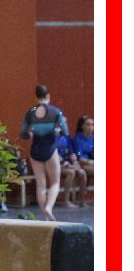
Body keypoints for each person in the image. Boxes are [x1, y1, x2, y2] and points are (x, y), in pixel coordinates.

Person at [18, 86, 70, 221]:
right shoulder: (55, 111)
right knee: (55, 182)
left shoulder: (31, 112)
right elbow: (65, 132)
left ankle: (45, 217)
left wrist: (31, 134)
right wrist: (56, 131)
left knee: (40, 185)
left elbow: (23, 133)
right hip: (50, 149)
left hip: (35, 150)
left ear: (36, 96)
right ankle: (49, 207)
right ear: (48, 95)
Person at [56, 132, 87, 209]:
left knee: (82, 173)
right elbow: (52, 154)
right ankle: (66, 201)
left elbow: (72, 152)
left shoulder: (67, 137)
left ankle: (82, 200)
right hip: (56, 164)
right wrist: (63, 162)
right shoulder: (50, 137)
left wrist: (75, 161)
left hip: (68, 163)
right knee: (71, 172)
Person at [71, 115, 95, 193]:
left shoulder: (93, 138)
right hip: (81, 164)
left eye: (92, 125)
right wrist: (91, 162)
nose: (90, 127)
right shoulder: (77, 139)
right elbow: (79, 157)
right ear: (82, 126)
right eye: (88, 124)